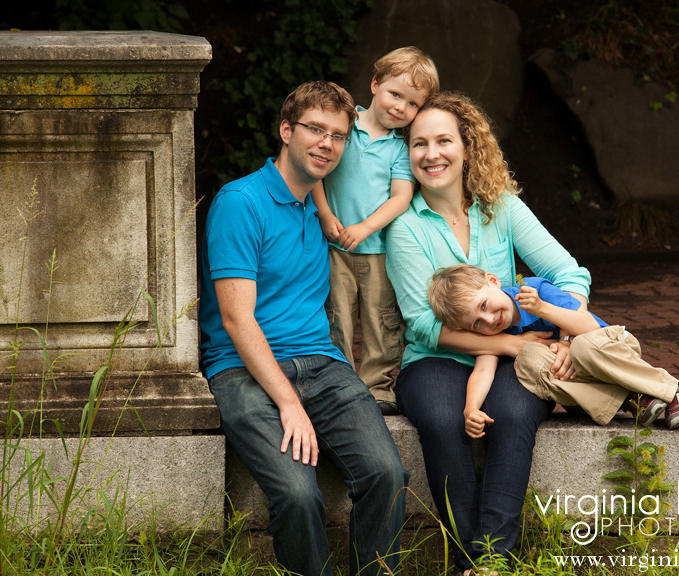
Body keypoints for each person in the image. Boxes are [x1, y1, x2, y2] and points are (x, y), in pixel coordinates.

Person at [199, 81, 408, 576]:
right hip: (241, 369)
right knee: (297, 494)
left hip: (322, 362)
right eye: (315, 129)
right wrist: (289, 403)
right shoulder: (240, 202)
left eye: (338, 136)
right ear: (286, 131)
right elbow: (236, 319)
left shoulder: (322, 211)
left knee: (387, 473)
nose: (327, 144)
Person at [385, 91, 591, 572]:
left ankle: (493, 560)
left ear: (466, 146)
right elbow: (424, 324)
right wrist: (509, 343)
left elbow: (569, 273)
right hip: (434, 360)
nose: (431, 154)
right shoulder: (405, 227)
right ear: (407, 154)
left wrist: (566, 335)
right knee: (442, 419)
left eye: (443, 141)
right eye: (419, 144)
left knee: (515, 414)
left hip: (514, 357)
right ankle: (468, 562)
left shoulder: (501, 207)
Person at [312, 47, 440, 415]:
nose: (401, 107)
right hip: (335, 246)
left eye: (413, 104)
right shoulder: (344, 128)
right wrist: (324, 213)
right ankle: (339, 382)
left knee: (381, 319)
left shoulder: (401, 148)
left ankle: (378, 385)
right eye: (395, 94)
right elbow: (317, 169)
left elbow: (401, 197)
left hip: (379, 251)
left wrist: (367, 227)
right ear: (375, 84)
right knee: (336, 316)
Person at [427, 264, 679, 433]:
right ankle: (631, 399)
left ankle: (674, 390)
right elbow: (482, 372)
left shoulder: (534, 290)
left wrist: (545, 312)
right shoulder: (497, 334)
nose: (489, 320)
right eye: (476, 323)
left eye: (484, 305)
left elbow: (588, 324)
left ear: (493, 281)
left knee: (580, 347)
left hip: (612, 351)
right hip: (586, 382)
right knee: (528, 361)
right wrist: (471, 409)